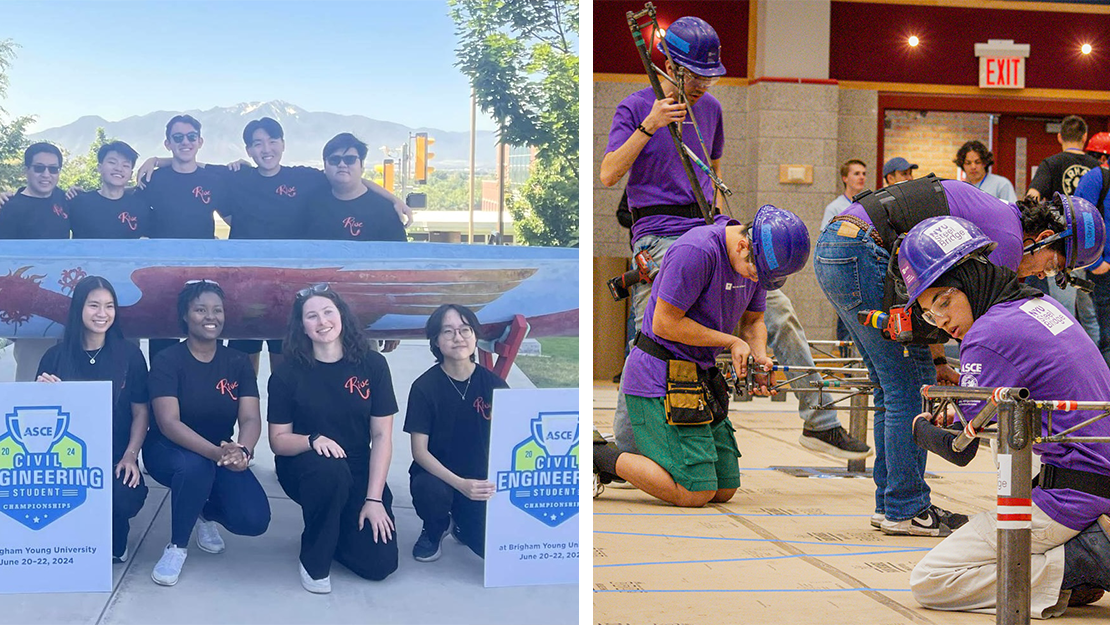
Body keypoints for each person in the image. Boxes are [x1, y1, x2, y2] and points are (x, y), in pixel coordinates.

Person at [599, 15, 868, 461]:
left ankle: (819, 421)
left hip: (709, 226)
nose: (704, 85)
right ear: (670, 65)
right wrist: (650, 125)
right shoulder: (635, 106)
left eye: (709, 76)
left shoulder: (712, 110)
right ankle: (623, 450)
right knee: (651, 337)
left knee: (776, 309)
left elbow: (713, 175)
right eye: (696, 76)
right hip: (659, 236)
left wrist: (733, 233)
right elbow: (609, 173)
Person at [814, 176, 1105, 536]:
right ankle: (906, 508)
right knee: (909, 388)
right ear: (1044, 240)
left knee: (892, 386)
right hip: (863, 250)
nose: (1041, 275)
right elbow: (978, 329)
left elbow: (933, 304)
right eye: (1049, 267)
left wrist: (938, 362)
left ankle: (891, 504)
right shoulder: (1008, 245)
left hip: (839, 247)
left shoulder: (1000, 218)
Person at [894, 215, 1110, 617]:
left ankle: (1083, 560)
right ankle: (1075, 570)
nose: (940, 321)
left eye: (943, 300)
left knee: (932, 580)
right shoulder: (1038, 303)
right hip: (1097, 480)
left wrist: (920, 430)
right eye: (928, 313)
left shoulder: (986, 334)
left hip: (1070, 496)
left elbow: (961, 450)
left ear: (972, 277)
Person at [593, 205, 812, 507]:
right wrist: (731, 341)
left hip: (700, 378)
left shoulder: (756, 263)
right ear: (742, 245)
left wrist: (759, 355)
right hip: (658, 375)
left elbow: (753, 321)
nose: (755, 279)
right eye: (755, 272)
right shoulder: (695, 251)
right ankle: (595, 453)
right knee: (693, 492)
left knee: (724, 489)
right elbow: (664, 323)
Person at [267, 284, 399, 593]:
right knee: (330, 473)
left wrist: (374, 499)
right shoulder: (287, 375)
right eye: (311, 316)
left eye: (328, 312)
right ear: (302, 326)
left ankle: (334, 528)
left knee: (379, 564)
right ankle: (313, 560)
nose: (322, 321)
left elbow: (382, 436)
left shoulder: (373, 365)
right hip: (306, 466)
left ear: (341, 316)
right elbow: (278, 440)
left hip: (357, 467)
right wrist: (312, 440)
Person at [143, 280, 271, 586]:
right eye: (200, 309)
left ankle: (203, 512)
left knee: (253, 520)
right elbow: (168, 423)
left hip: (222, 453)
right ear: (186, 315)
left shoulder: (237, 362)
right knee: (194, 467)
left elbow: (251, 417)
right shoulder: (167, 361)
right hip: (168, 450)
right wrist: (217, 454)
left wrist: (243, 450)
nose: (210, 316)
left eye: (217, 310)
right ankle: (177, 546)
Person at [35, 276, 149, 563]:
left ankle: (114, 526)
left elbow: (140, 412)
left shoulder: (130, 356)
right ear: (78, 309)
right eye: (94, 305)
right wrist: (41, 393)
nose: (102, 314)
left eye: (109, 306)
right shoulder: (55, 357)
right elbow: (37, 416)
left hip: (114, 459)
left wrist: (130, 456)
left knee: (124, 498)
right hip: (66, 463)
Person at [404, 304, 508, 562]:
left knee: (491, 552)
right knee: (430, 489)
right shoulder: (424, 387)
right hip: (439, 478)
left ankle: (461, 525)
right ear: (436, 341)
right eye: (448, 332)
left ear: (475, 336)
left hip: (481, 482)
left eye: (465, 330)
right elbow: (420, 452)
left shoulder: (495, 385)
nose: (458, 337)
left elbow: (511, 439)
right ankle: (435, 527)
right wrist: (461, 484)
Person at [0, 143, 69, 381]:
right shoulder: (9, 208)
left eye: (53, 169)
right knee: (32, 377)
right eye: (39, 168)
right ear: (26, 170)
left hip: (61, 302)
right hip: (30, 309)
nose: (47, 175)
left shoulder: (61, 198)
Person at [1074, 135, 1110, 369]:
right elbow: (1078, 218)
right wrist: (1094, 262)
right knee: (1105, 334)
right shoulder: (1096, 177)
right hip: (1103, 269)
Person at [66, 141, 148, 239]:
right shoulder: (78, 202)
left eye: (125, 165)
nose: (118, 168)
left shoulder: (140, 207)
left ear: (131, 173)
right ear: (99, 168)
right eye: (112, 162)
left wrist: (156, 161)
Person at [820, 159, 868, 231]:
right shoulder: (834, 208)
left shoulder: (868, 205)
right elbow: (825, 236)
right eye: (857, 174)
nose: (862, 177)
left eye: (864, 174)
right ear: (845, 178)